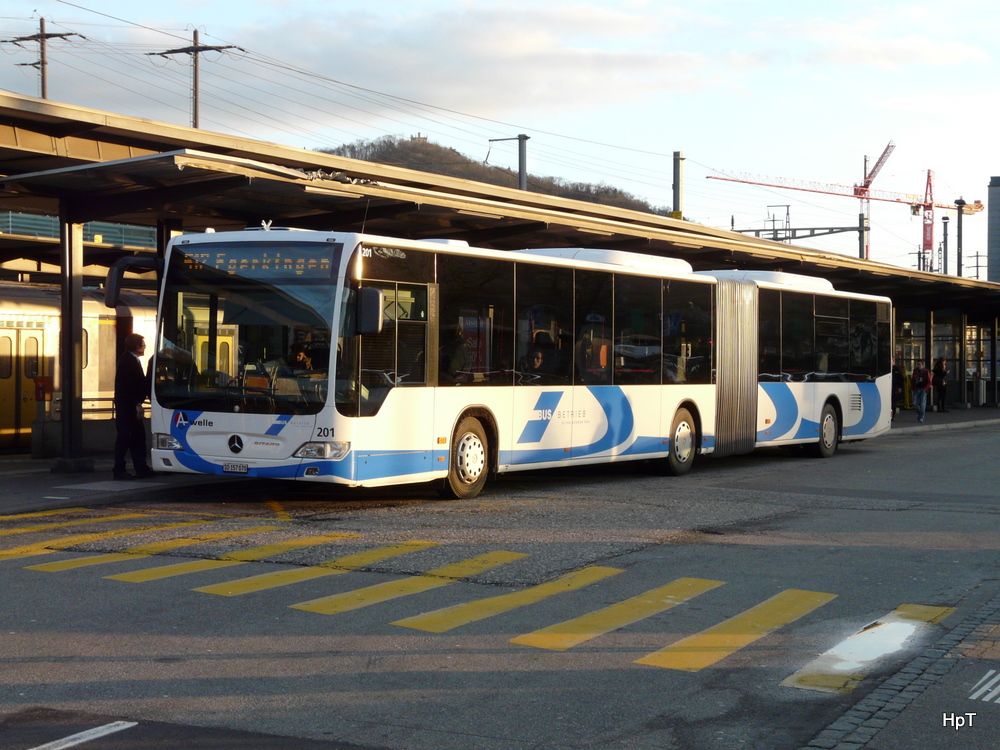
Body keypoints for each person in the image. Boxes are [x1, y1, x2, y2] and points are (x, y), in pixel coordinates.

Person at [113, 332, 154, 479]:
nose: (144, 348)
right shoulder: (128, 362)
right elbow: (128, 386)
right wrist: (137, 403)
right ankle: (119, 469)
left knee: (138, 438)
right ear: (137, 347)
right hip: (127, 408)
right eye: (143, 345)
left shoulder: (130, 360)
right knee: (125, 438)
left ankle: (141, 467)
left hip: (129, 406)